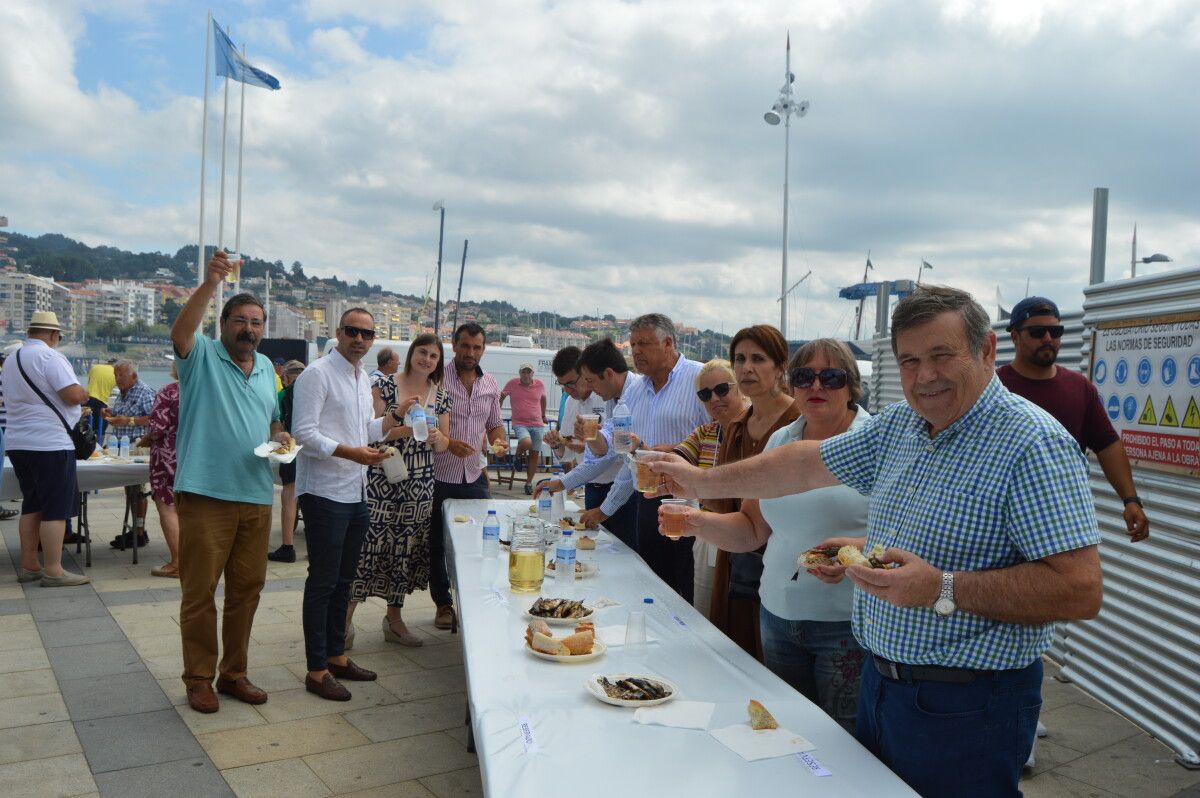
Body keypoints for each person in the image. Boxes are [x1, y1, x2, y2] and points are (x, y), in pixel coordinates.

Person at [648, 286, 1103, 798]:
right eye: (909, 360)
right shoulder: (906, 424)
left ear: (987, 352)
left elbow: (1080, 590)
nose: (923, 375)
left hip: (969, 702)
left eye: (940, 355)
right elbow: (803, 462)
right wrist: (700, 484)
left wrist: (941, 588)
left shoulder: (1031, 443)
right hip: (882, 683)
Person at [665, 339, 868, 732]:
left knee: (842, 738)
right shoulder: (781, 441)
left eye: (831, 377)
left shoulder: (873, 440)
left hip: (846, 625)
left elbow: (903, 535)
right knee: (786, 729)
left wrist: (854, 551)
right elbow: (753, 530)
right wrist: (694, 521)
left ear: (851, 384)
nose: (816, 386)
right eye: (804, 377)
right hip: (777, 616)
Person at [171, 251, 291, 715]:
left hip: (256, 495)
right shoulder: (200, 355)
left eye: (257, 322)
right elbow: (182, 332)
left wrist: (282, 439)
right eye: (240, 320)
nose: (250, 329)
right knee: (199, 592)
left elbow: (274, 420)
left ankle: (234, 673)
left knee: (247, 591)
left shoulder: (267, 370)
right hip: (206, 494)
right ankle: (199, 677)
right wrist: (209, 283)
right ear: (222, 324)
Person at [291, 307, 406, 700]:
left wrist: (393, 420)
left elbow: (365, 431)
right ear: (338, 332)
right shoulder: (317, 374)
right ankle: (316, 668)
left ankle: (337, 656)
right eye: (353, 331)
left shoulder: (360, 378)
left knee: (345, 579)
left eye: (367, 334)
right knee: (322, 581)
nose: (360, 339)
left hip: (356, 490)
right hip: (324, 491)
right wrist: (351, 453)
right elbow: (303, 434)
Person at [998, 296, 1150, 543]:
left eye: (1055, 331)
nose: (1048, 338)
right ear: (1015, 337)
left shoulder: (1079, 388)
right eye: (1037, 331)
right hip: (1004, 519)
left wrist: (1130, 500)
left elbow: (1107, 445)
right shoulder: (995, 388)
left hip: (1065, 517)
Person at [702, 325, 802, 658]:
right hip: (735, 560)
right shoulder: (738, 426)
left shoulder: (798, 421)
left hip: (780, 562)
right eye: (740, 359)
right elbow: (722, 501)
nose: (747, 368)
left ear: (780, 366)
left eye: (758, 359)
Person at [348, 332, 451, 647]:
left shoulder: (440, 394)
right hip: (383, 477)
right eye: (422, 353)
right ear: (411, 354)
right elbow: (370, 433)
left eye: (433, 356)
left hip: (419, 483)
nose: (427, 360)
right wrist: (406, 428)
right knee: (367, 548)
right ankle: (344, 620)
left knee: (405, 549)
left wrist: (436, 438)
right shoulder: (386, 384)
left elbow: (445, 444)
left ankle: (394, 619)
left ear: (438, 362)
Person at [1, 311, 91, 586]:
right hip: (49, 442)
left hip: (17, 441)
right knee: (55, 508)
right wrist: (85, 393)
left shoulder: (12, 359)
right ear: (53, 335)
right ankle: (53, 569)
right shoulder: (50, 357)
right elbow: (71, 394)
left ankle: (30, 564)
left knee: (32, 503)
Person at [623, 314, 709, 602]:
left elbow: (722, 437)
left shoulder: (700, 378)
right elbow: (622, 445)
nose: (635, 351)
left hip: (690, 502)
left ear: (668, 343)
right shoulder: (635, 390)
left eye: (644, 344)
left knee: (689, 587)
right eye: (633, 344)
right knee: (653, 583)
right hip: (646, 499)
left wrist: (676, 452)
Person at [431, 323, 506, 631]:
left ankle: (476, 598)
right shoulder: (437, 379)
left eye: (477, 347)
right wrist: (447, 442)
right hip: (439, 473)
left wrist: (500, 442)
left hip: (474, 473)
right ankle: (443, 603)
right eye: (465, 346)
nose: (470, 353)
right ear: (454, 345)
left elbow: (495, 425)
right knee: (436, 542)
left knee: (481, 538)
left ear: (483, 349)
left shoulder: (490, 383)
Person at [535, 338, 642, 550]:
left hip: (635, 494)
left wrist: (604, 509)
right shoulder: (615, 399)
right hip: (601, 488)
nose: (590, 387)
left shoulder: (630, 395)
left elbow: (629, 463)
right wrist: (562, 480)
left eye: (589, 380)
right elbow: (606, 453)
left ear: (608, 374)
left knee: (633, 558)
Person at [671, 358, 749, 619]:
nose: (714, 398)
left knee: (742, 619)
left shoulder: (759, 430)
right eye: (706, 394)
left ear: (739, 387)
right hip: (710, 534)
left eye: (722, 389)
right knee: (707, 616)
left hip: (752, 539)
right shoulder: (707, 432)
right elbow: (678, 460)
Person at [544, 346, 615, 493]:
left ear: (584, 372)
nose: (568, 390)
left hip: (616, 482)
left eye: (571, 383)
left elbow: (619, 447)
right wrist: (557, 444)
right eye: (563, 385)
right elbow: (567, 454)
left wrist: (587, 446)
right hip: (590, 483)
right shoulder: (570, 401)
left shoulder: (607, 396)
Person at [104, 359, 157, 550]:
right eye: (115, 375)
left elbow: (155, 418)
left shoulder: (144, 391)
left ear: (134, 376)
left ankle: (139, 532)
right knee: (131, 490)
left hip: (139, 446)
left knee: (137, 490)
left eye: (121, 375)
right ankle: (137, 529)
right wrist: (110, 414)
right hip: (123, 448)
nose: (117, 379)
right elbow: (122, 416)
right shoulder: (122, 393)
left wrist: (130, 420)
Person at [135, 361, 181, 578]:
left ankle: (178, 563)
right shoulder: (206, 392)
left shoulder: (170, 392)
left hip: (168, 458)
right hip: (198, 456)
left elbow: (158, 428)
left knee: (167, 508)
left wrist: (146, 439)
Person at [268, 360, 306, 563]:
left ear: (287, 376)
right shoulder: (312, 391)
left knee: (289, 496)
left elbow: (276, 422)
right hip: (313, 450)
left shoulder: (283, 394)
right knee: (310, 497)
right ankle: (314, 545)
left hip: (291, 448)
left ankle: (287, 545)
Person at [500, 364, 547, 494]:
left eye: (528, 372)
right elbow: (501, 396)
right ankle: (517, 457)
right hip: (520, 423)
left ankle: (528, 483)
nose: (526, 375)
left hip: (537, 423)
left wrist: (543, 415)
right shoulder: (512, 383)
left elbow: (543, 399)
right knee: (526, 442)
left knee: (534, 454)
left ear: (533, 373)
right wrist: (497, 412)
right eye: (523, 372)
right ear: (519, 373)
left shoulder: (540, 384)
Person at [85, 360, 116, 438]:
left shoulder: (95, 367)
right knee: (100, 430)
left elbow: (89, 382)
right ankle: (98, 447)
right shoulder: (116, 373)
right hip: (101, 403)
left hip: (86, 399)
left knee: (84, 427)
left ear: (107, 363)